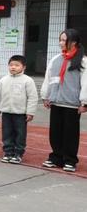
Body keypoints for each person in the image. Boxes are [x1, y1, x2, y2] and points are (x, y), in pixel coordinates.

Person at [41, 29, 87, 172]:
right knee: (55, 132)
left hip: (72, 104)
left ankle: (70, 160)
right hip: (56, 101)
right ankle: (56, 157)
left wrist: (84, 102)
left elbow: (86, 82)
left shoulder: (83, 61)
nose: (61, 43)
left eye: (64, 40)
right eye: (60, 39)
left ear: (73, 42)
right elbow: (49, 79)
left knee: (70, 133)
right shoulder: (56, 59)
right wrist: (46, 95)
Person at [0, 55, 37, 164]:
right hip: (6, 113)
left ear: (24, 67)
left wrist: (30, 112)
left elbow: (32, 97)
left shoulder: (28, 81)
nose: (13, 67)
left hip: (20, 114)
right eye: (11, 65)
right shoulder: (3, 80)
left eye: (17, 65)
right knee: (7, 133)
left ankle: (18, 153)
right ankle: (8, 152)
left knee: (20, 134)